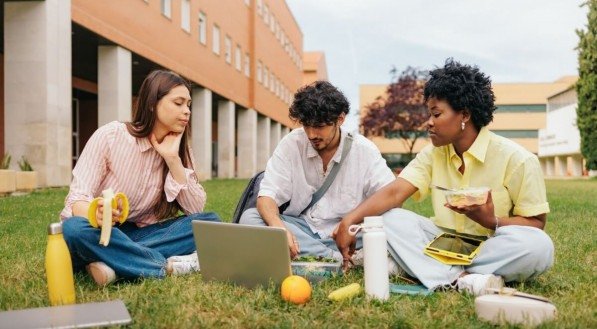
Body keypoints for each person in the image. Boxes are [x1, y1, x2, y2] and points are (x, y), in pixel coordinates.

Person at [334, 59, 555, 296]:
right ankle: (459, 279)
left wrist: (491, 221)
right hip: (440, 242)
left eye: (436, 114)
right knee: (388, 218)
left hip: (489, 245)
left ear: (465, 115)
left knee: (539, 247)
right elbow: (396, 191)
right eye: (429, 113)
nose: (428, 122)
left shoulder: (518, 159)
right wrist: (350, 220)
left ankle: (417, 267)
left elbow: (536, 224)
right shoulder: (432, 154)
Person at [60, 70, 219, 286]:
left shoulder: (180, 151)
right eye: (178, 103)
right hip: (100, 232)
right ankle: (167, 266)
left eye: (188, 104)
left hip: (139, 235)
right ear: (153, 103)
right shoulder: (112, 136)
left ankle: (113, 264)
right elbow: (75, 198)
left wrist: (172, 160)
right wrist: (95, 212)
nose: (186, 111)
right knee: (74, 229)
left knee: (209, 223)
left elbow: (196, 210)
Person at [239, 81, 395, 263]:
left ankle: (309, 253)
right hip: (303, 229)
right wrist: (279, 228)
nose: (312, 134)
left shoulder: (364, 150)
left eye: (319, 126)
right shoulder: (291, 144)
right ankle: (336, 258)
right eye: (306, 125)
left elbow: (390, 197)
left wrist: (350, 223)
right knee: (251, 217)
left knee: (393, 224)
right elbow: (267, 195)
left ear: (340, 119)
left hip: (350, 233)